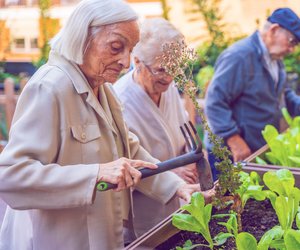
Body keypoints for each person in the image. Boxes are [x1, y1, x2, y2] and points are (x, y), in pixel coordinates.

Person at [0, 1, 212, 249]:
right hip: (58, 239)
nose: (125, 61)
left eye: (130, 50)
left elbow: (130, 151)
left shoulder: (104, 89)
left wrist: (178, 187)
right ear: (83, 38)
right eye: (115, 47)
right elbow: (11, 176)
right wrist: (96, 173)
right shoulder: (49, 87)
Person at [114, 18, 199, 237]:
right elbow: (122, 167)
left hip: (179, 202)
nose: (169, 78)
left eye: (175, 68)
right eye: (161, 70)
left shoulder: (166, 88)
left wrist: (192, 158)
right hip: (144, 215)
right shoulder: (119, 102)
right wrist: (171, 172)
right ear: (137, 61)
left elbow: (182, 131)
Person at [204, 8, 300, 180]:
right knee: (227, 203)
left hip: (254, 149)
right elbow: (214, 101)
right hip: (229, 153)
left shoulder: (275, 61)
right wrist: (234, 140)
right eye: (292, 41)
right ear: (274, 30)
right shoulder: (239, 56)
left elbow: (284, 94)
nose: (292, 49)